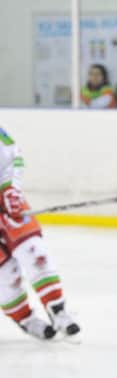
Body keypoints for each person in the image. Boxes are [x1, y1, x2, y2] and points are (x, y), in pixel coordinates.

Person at [0, 127, 81, 340]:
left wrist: (11, 189)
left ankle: (58, 310)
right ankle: (25, 318)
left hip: (5, 199)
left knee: (32, 248)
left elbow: (13, 156)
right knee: (4, 272)